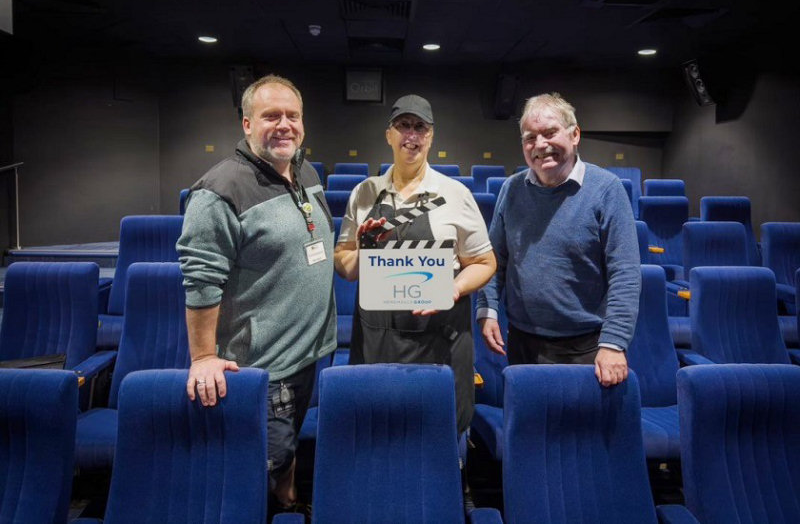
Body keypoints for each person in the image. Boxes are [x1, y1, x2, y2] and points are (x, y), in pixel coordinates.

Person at [176, 74, 336, 510]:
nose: (284, 125)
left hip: (307, 355)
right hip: (264, 368)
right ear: (246, 124)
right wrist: (203, 357)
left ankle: (288, 501)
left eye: (293, 115)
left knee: (287, 454)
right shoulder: (219, 190)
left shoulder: (302, 170)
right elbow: (201, 278)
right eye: (271, 116)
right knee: (259, 466)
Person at [334, 94, 496, 434]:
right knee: (378, 431)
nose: (412, 135)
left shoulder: (455, 195)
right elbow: (344, 266)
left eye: (420, 127)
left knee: (441, 436)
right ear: (389, 135)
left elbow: (484, 261)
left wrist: (454, 287)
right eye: (403, 126)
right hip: (376, 343)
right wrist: (366, 252)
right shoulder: (364, 194)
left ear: (431, 136)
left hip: (439, 342)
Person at [476, 92, 640, 387]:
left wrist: (614, 343)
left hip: (585, 347)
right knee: (529, 429)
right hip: (522, 341)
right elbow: (494, 259)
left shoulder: (607, 190)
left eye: (550, 133)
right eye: (530, 138)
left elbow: (625, 274)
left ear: (575, 134)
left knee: (578, 432)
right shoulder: (511, 190)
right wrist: (487, 310)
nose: (540, 145)